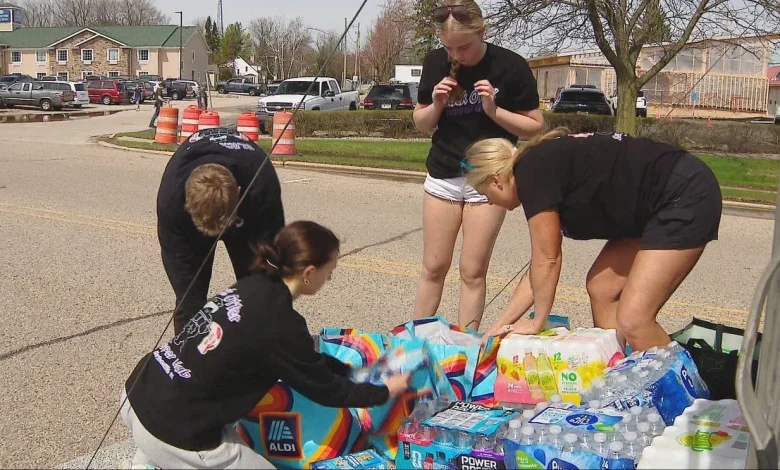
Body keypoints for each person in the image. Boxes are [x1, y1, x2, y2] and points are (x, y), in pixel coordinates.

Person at [120, 221, 411, 469]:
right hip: (172, 430)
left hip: (138, 393)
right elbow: (327, 390)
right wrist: (385, 392)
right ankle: (159, 456)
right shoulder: (280, 322)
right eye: (329, 270)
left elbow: (307, 362)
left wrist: (352, 371)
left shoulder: (252, 286)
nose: (330, 278)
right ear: (309, 272)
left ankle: (149, 459)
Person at [464, 129, 723, 351]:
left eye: (484, 193)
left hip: (682, 194)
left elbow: (548, 260)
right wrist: (497, 330)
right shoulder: (534, 166)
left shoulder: (531, 173)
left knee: (634, 319)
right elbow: (538, 270)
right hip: (657, 202)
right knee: (603, 287)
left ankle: (681, 389)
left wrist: (537, 321)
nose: (489, 202)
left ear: (496, 180)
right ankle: (619, 374)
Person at [411, 0, 544, 331]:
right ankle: (415, 341)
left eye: (464, 47)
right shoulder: (435, 62)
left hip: (489, 179)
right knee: (433, 267)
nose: (456, 56)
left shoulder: (510, 66)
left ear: (483, 32)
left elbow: (535, 126)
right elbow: (421, 123)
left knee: (472, 271)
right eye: (449, 48)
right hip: (443, 173)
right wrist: (436, 104)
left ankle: (466, 343)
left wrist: (494, 111)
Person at [156, 127, 285, 334]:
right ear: (187, 203)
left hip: (250, 215)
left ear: (239, 192)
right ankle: (189, 352)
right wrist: (190, 307)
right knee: (189, 306)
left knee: (262, 296)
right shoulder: (172, 200)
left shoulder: (261, 183)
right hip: (193, 220)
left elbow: (273, 256)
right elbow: (179, 265)